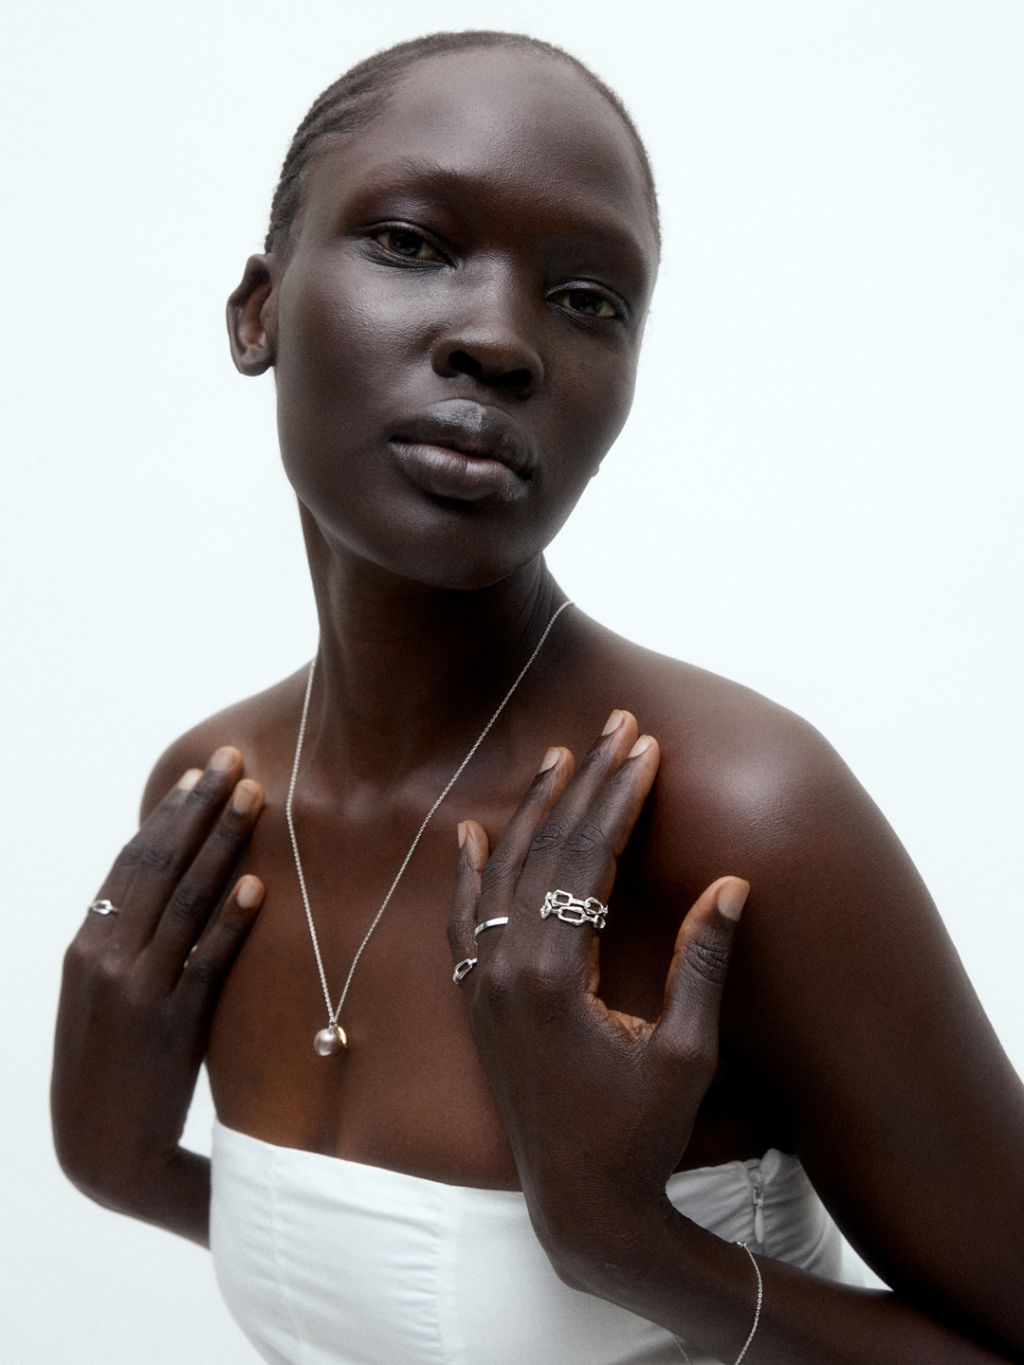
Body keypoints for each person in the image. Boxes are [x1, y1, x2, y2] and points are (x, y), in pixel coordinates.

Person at [50, 29, 1024, 1365]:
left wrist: (632, 1244)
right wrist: (125, 1172)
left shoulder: (738, 817)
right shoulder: (214, 802)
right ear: (257, 311)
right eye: (411, 241)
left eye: (588, 299)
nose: (501, 340)